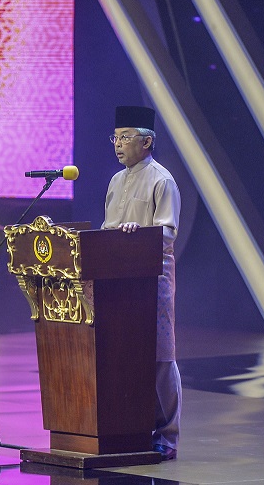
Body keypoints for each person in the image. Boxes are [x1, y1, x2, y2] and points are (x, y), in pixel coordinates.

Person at [101, 105, 182, 461]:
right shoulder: (116, 181)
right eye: (115, 138)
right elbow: (106, 229)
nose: (117, 144)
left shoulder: (161, 179)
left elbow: (167, 231)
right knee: (124, 354)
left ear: (146, 142)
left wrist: (141, 233)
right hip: (117, 281)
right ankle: (129, 427)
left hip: (153, 280)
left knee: (159, 356)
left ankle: (167, 434)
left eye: (125, 137)